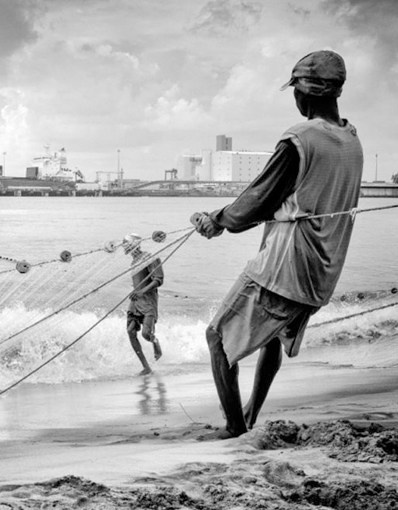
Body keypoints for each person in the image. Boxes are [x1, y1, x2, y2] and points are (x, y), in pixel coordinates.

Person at [193, 50, 363, 439]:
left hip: (284, 269)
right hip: (322, 273)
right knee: (270, 338)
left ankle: (234, 428)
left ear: (306, 92)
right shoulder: (352, 141)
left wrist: (217, 220)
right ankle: (250, 414)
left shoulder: (300, 139)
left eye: (296, 90)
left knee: (217, 337)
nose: (295, 99)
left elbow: (257, 202)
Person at [123, 234, 164, 375]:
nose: (123, 246)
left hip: (148, 302)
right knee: (130, 331)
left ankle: (155, 342)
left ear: (134, 244)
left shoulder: (149, 257)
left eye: (125, 243)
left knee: (147, 334)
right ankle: (146, 367)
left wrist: (141, 292)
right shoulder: (133, 262)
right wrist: (137, 293)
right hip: (135, 302)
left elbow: (159, 279)